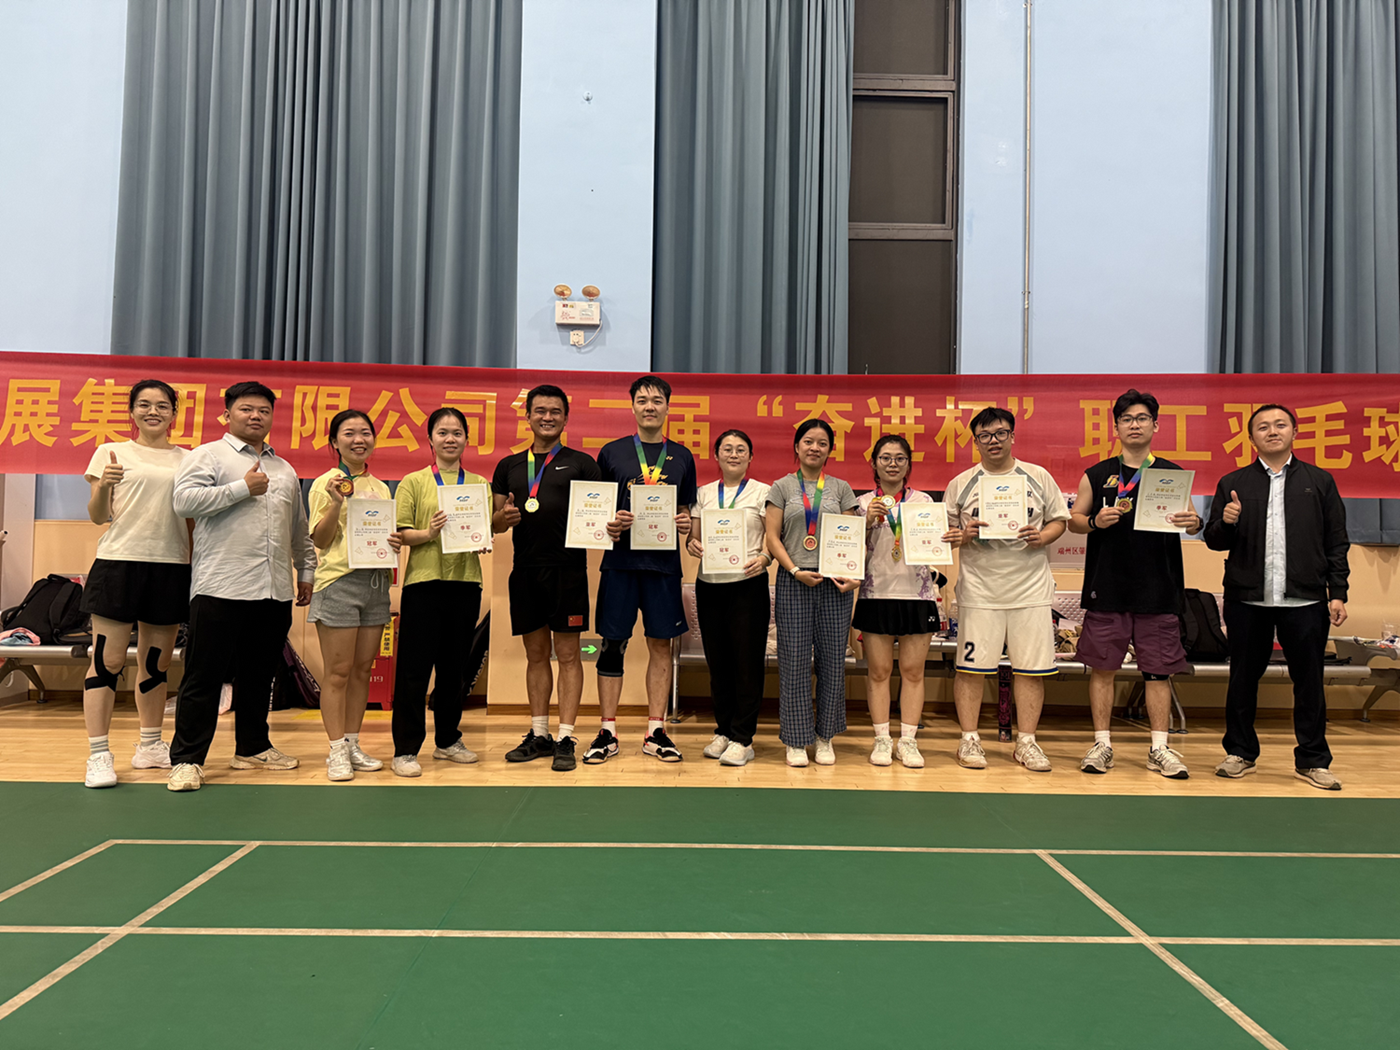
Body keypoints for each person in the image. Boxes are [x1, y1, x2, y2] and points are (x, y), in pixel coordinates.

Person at [167, 381, 317, 791]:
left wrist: (305, 572)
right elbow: (183, 502)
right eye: (247, 409)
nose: (255, 416)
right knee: (204, 676)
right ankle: (187, 759)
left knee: (260, 675)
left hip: (273, 589)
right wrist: (241, 489)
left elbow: (298, 528)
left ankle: (252, 748)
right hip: (220, 585)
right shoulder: (208, 455)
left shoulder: (284, 469)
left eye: (263, 411)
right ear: (227, 414)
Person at [1204, 404, 1349, 790]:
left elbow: (1336, 541)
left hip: (1305, 600)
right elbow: (1214, 540)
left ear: (1294, 432)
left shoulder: (1319, 481)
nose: (1272, 431)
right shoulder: (1233, 482)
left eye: (1280, 425)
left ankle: (1313, 759)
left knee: (1309, 682)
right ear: (1251, 438)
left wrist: (1338, 592)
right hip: (1247, 600)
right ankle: (1240, 752)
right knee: (1242, 679)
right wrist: (1226, 522)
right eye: (1263, 427)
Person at [1067, 390, 1201, 780]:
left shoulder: (1172, 474)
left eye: (1142, 418)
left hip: (1158, 587)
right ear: (1116, 428)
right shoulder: (1097, 474)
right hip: (1107, 586)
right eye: (1127, 419)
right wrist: (1095, 522)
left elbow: (1193, 520)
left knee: (1158, 672)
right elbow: (1074, 519)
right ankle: (1102, 744)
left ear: (1155, 426)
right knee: (1103, 669)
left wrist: (1193, 523)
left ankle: (1160, 747)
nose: (1135, 425)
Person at [942, 407, 1069, 772]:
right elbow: (942, 534)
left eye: (1000, 433)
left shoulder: (1038, 476)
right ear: (975, 441)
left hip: (1030, 590)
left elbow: (1059, 520)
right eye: (984, 436)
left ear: (1013, 436)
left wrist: (1041, 536)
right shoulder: (961, 482)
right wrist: (963, 535)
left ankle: (1026, 742)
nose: (993, 441)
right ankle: (969, 739)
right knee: (971, 668)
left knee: (1031, 670)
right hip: (980, 591)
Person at [79, 379, 191, 788]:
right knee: (106, 661)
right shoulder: (110, 452)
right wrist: (104, 485)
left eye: (162, 405)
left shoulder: (189, 459)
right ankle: (98, 754)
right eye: (144, 404)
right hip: (118, 564)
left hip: (171, 566)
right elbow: (97, 516)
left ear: (174, 413)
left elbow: (192, 519)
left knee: (156, 663)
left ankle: (150, 745)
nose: (153, 411)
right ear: (131, 412)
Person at [583, 375, 696, 764]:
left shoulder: (682, 456)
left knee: (661, 645)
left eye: (657, 400)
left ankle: (656, 731)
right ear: (632, 406)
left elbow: (685, 508)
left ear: (667, 407)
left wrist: (685, 522)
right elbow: (598, 510)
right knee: (612, 644)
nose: (650, 406)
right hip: (620, 564)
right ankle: (607, 731)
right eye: (643, 400)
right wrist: (610, 524)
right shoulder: (611, 453)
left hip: (663, 567)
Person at [491, 384, 601, 772]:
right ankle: (539, 734)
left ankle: (566, 736)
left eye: (555, 411)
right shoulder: (508, 466)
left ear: (566, 418)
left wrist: (609, 525)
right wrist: (503, 518)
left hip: (568, 572)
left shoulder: (583, 464)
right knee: (535, 655)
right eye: (540, 411)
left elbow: (599, 514)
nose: (547, 417)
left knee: (569, 655)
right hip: (525, 572)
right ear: (528, 416)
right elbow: (494, 523)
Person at [391, 407, 489, 777]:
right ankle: (405, 749)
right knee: (414, 670)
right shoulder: (413, 482)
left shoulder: (478, 484)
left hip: (465, 583)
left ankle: (448, 740)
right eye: (443, 433)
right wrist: (429, 533)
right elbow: (402, 534)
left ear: (467, 439)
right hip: (423, 583)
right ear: (430, 439)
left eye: (457, 433)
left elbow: (483, 529)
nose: (450, 439)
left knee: (454, 669)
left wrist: (483, 539)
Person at [307, 410, 402, 782]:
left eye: (365, 432)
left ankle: (352, 743)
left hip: (375, 584)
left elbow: (383, 535)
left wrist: (393, 541)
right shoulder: (324, 483)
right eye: (349, 433)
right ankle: (335, 751)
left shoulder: (380, 487)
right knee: (338, 672)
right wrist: (335, 503)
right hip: (338, 584)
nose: (358, 439)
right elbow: (320, 540)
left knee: (364, 670)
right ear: (335, 442)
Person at [765, 419, 861, 767]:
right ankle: (795, 739)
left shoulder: (841, 488)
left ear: (830, 450)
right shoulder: (781, 487)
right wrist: (794, 570)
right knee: (793, 662)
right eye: (808, 441)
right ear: (797, 446)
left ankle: (825, 736)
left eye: (822, 443)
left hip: (835, 583)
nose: (814, 448)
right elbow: (772, 537)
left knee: (833, 662)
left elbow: (852, 536)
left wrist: (854, 576)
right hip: (794, 579)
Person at [853, 435, 943, 769]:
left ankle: (907, 741)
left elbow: (937, 545)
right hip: (875, 595)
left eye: (900, 458)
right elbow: (845, 549)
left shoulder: (924, 501)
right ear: (874, 463)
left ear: (908, 464)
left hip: (916, 595)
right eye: (886, 458)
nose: (892, 464)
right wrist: (865, 523)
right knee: (879, 672)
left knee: (913, 671)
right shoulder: (861, 503)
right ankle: (881, 739)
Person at [687, 429, 773, 767]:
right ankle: (723, 730)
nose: (734, 454)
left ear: (750, 457)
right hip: (709, 584)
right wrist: (692, 545)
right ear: (717, 455)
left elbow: (772, 536)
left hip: (748, 584)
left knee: (747, 663)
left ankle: (743, 738)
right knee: (718, 662)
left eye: (740, 450)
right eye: (727, 449)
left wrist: (765, 557)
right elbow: (693, 538)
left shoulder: (763, 492)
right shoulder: (704, 493)